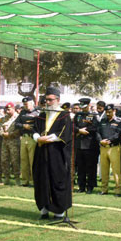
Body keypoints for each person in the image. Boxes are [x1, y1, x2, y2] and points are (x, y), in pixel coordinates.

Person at [33, 86, 73, 219]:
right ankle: (44, 209)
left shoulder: (64, 115)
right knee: (41, 179)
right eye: (46, 100)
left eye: (50, 100)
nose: (48, 103)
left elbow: (64, 134)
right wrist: (38, 138)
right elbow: (34, 129)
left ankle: (59, 211)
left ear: (58, 100)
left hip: (57, 155)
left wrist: (46, 139)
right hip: (41, 153)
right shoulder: (42, 114)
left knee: (57, 180)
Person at [97, 103, 121, 197]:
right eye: (106, 112)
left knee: (116, 170)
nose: (108, 114)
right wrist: (101, 141)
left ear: (114, 111)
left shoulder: (119, 121)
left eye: (110, 112)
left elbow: (118, 134)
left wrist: (109, 140)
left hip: (114, 147)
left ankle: (118, 190)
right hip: (103, 148)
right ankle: (104, 189)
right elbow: (98, 132)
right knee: (104, 170)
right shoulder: (103, 121)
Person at [74, 98, 99, 194]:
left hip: (89, 145)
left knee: (90, 168)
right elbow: (73, 125)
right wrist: (79, 130)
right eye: (81, 107)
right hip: (79, 144)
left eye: (84, 106)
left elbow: (95, 127)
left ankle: (90, 187)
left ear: (88, 105)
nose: (82, 109)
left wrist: (86, 130)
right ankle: (81, 186)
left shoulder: (93, 115)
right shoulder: (78, 115)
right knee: (81, 167)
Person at [16, 97, 39, 187]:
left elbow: (39, 125)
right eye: (24, 104)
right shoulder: (22, 113)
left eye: (27, 104)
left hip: (33, 138)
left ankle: (34, 180)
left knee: (32, 160)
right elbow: (16, 124)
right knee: (24, 160)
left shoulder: (37, 112)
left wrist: (31, 126)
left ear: (32, 103)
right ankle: (25, 180)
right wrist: (23, 126)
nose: (26, 105)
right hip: (24, 138)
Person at [0, 102, 20, 185]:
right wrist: (3, 134)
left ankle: (17, 179)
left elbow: (19, 129)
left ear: (13, 109)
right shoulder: (3, 119)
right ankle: (6, 178)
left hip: (14, 141)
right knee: (4, 160)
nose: (7, 111)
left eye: (9, 109)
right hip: (5, 142)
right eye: (6, 109)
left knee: (15, 161)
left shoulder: (17, 117)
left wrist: (10, 134)